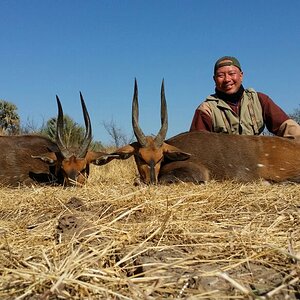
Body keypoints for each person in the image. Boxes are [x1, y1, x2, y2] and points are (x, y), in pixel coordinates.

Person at [190, 56, 300, 139]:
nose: (227, 79)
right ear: (214, 79)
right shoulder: (206, 110)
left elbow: (287, 127)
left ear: (241, 75)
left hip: (257, 161)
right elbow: (197, 144)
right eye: (221, 75)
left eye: (232, 73)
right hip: (223, 166)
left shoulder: (259, 99)